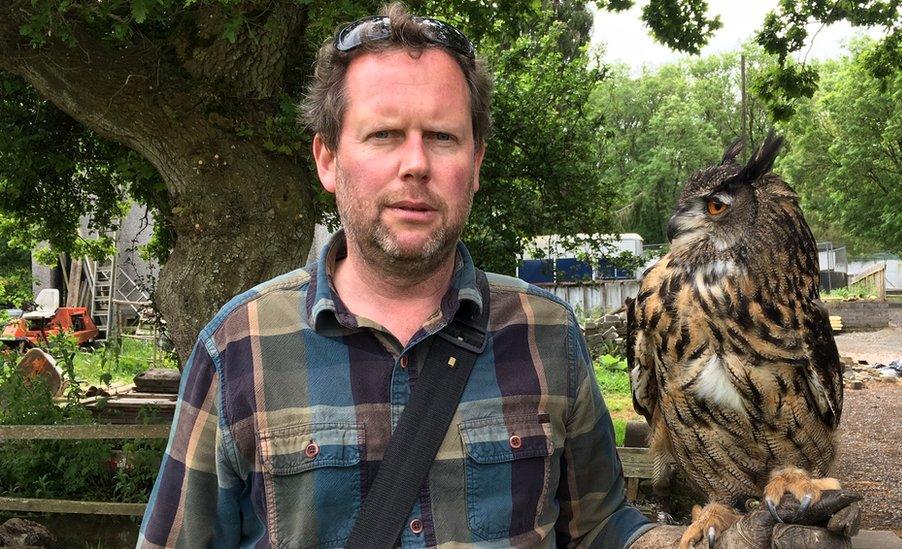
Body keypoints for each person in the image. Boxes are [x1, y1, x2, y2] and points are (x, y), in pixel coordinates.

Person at [138, 4, 858, 548]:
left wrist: (712, 539)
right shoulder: (237, 346)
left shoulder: (545, 335)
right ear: (327, 159)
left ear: (475, 162)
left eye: (442, 136)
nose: (414, 163)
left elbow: (602, 527)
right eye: (384, 134)